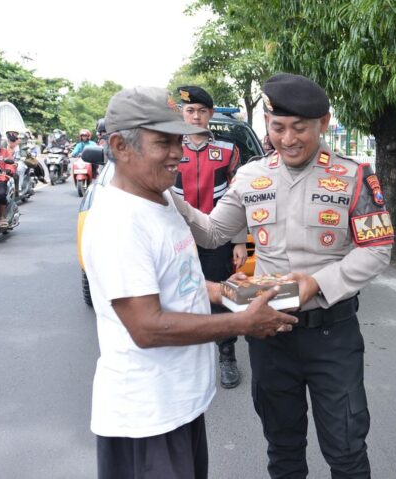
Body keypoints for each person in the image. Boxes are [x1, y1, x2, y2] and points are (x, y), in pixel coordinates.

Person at [172, 73, 393, 478]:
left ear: (323, 123)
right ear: (267, 126)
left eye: (299, 128)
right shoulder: (251, 176)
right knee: (283, 449)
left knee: (346, 450)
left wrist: (317, 283)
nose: (288, 139)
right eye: (278, 128)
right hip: (270, 334)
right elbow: (214, 233)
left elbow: (377, 249)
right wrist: (170, 199)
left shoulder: (355, 176)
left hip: (333, 336)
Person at [81, 86, 297, 479]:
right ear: (120, 145)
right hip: (146, 418)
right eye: (163, 142)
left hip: (178, 406)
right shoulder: (119, 223)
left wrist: (229, 292)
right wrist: (243, 323)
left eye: (179, 140)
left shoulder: (160, 200)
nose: (178, 153)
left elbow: (181, 283)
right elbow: (147, 327)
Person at [173, 85, 248, 389]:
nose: (195, 116)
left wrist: (240, 239)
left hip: (217, 237)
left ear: (211, 114)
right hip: (177, 236)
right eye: (190, 110)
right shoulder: (170, 147)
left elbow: (239, 197)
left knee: (221, 294)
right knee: (178, 293)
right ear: (182, 112)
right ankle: (182, 356)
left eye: (202, 111)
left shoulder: (229, 150)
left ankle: (226, 354)